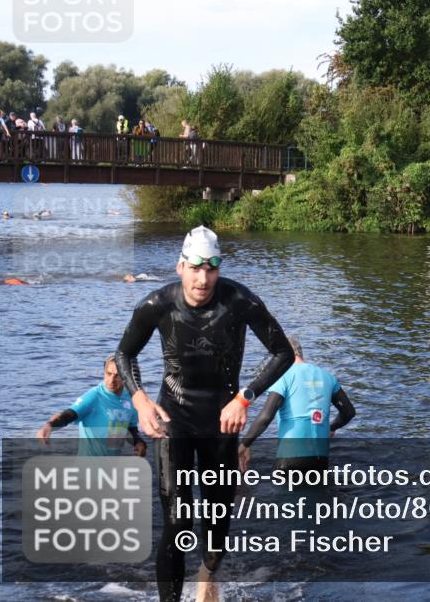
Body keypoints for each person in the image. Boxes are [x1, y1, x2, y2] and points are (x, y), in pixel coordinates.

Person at [114, 225, 293, 602]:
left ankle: (207, 572)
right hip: (173, 419)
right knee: (178, 521)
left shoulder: (239, 301)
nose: (203, 278)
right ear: (181, 266)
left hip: (222, 421)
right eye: (196, 267)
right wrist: (141, 400)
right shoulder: (157, 305)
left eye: (211, 268)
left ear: (219, 268)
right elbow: (124, 354)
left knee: (215, 525)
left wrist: (245, 397)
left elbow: (283, 352)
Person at [238, 336, 355, 473]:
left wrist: (244, 444)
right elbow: (349, 412)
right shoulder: (327, 376)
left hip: (290, 458)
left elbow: (266, 416)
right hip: (320, 459)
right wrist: (331, 427)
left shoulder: (283, 376)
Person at [36, 353, 147, 457]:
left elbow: (130, 427)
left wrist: (139, 442)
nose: (111, 380)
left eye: (117, 376)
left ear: (126, 377)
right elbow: (68, 415)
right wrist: (49, 426)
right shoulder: (94, 396)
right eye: (108, 374)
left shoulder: (131, 398)